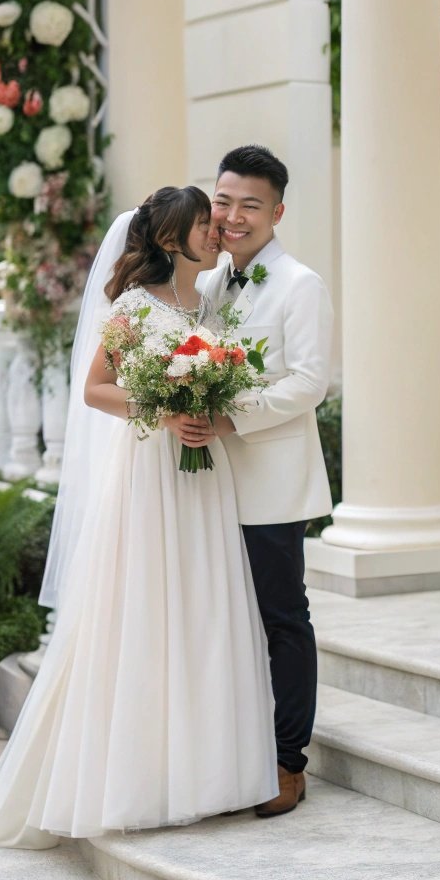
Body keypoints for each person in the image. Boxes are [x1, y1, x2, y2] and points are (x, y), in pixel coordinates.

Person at [0, 188, 279, 849]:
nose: (216, 231)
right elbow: (95, 387)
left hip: (202, 473)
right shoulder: (134, 307)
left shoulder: (210, 302)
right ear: (169, 241)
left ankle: (209, 777)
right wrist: (161, 410)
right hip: (149, 474)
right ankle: (141, 780)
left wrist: (208, 408)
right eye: (202, 225)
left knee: (203, 609)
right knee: (147, 610)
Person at [195, 145, 333, 819]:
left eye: (250, 204)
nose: (233, 215)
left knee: (282, 617)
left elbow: (311, 383)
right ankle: (237, 751)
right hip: (210, 480)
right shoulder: (211, 282)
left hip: (272, 479)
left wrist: (227, 415)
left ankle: (288, 761)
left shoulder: (300, 283)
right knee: (227, 618)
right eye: (223, 201)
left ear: (276, 211)